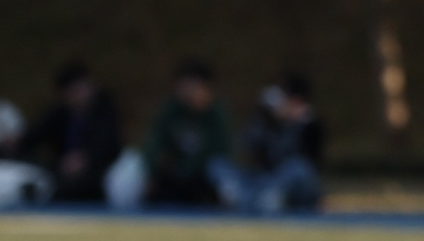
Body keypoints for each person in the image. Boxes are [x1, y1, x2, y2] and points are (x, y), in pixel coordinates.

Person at [20, 60, 125, 204]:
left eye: (80, 89)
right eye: (72, 92)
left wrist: (86, 158)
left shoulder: (105, 110)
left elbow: (109, 144)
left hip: (97, 173)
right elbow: (34, 136)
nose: (77, 95)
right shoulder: (60, 113)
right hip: (61, 172)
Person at [221, 72, 326, 214]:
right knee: (220, 166)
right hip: (266, 179)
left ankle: (268, 199)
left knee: (298, 167)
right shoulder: (268, 120)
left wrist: (298, 123)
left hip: (293, 184)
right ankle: (250, 199)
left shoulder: (311, 125)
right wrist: (267, 118)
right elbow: (248, 146)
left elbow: (310, 164)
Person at [141, 58, 234, 207]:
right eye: (184, 86)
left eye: (193, 86)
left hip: (203, 177)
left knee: (219, 170)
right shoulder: (172, 110)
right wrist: (153, 171)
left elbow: (220, 151)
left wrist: (187, 168)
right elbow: (155, 144)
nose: (188, 92)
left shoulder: (215, 114)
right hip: (174, 175)